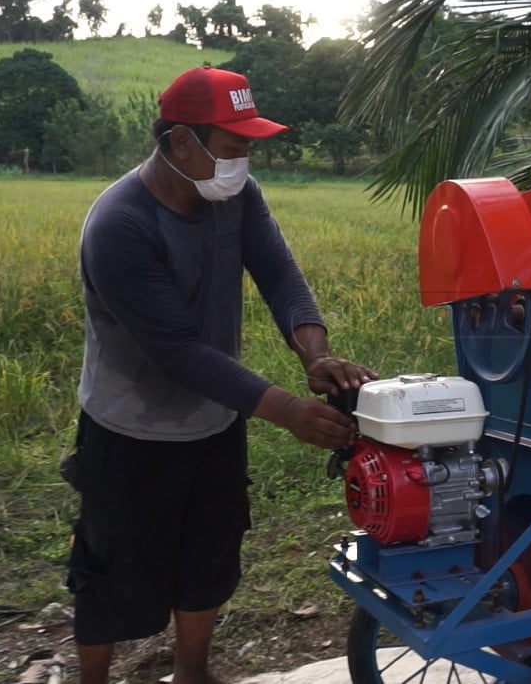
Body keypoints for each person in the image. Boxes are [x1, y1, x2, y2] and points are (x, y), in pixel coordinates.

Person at [66, 65, 376, 684]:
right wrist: (288, 410)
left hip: (214, 419)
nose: (244, 161)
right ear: (182, 141)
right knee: (109, 569)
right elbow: (176, 351)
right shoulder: (120, 225)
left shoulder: (234, 194)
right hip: (131, 429)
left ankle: (192, 673)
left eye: (249, 148)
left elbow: (280, 275)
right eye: (234, 148)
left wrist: (314, 356)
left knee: (209, 554)